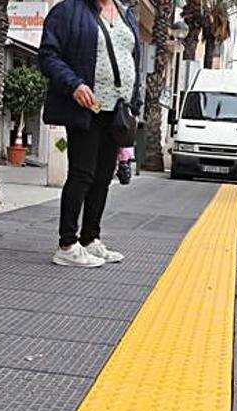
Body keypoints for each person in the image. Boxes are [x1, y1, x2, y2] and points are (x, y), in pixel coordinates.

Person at [39, 0, 143, 268]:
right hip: (86, 108)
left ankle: (90, 239)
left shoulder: (126, 13)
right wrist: (73, 85)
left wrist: (135, 103)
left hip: (117, 111)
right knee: (82, 174)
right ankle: (67, 244)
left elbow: (133, 60)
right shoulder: (68, 11)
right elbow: (49, 56)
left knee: (103, 176)